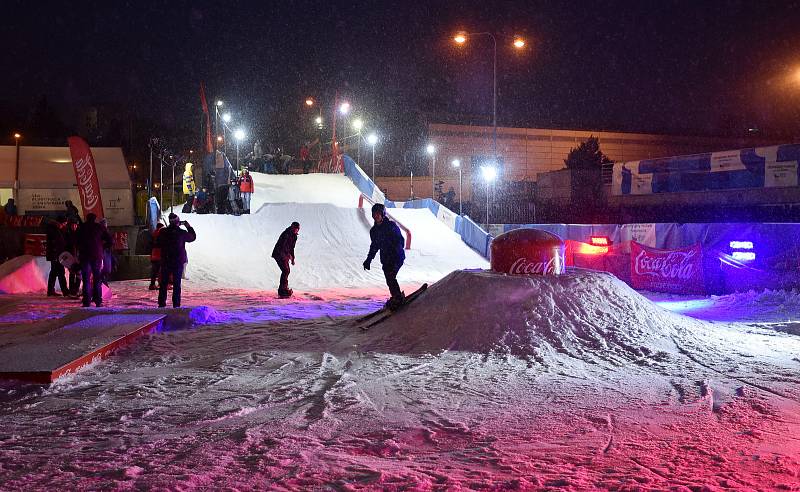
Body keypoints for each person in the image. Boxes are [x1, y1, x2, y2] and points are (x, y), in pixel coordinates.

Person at [363, 203, 406, 309]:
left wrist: (395, 250)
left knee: (391, 276)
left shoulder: (391, 226)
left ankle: (397, 297)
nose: (376, 216)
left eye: (378, 214)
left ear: (382, 214)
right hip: (386, 259)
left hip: (396, 256)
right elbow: (374, 246)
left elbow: (400, 240)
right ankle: (396, 296)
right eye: (374, 214)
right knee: (389, 278)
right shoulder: (374, 231)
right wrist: (368, 260)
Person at [156, 213, 196, 308]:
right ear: (178, 222)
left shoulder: (163, 232)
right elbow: (192, 237)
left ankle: (161, 303)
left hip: (166, 261)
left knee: (164, 283)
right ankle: (176, 304)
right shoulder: (181, 233)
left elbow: (157, 242)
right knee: (177, 284)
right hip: (177, 262)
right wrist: (188, 226)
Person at [76, 213, 112, 307]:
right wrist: (102, 247)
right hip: (97, 256)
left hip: (84, 256)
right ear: (95, 219)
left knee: (86, 279)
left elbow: (75, 241)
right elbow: (110, 240)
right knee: (97, 279)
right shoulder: (99, 227)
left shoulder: (82, 227)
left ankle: (86, 301)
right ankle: (98, 301)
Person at [271, 222, 300, 298]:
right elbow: (282, 246)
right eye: (295, 229)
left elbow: (291, 248)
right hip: (278, 254)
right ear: (292, 227)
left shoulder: (294, 236)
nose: (296, 231)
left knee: (286, 270)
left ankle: (284, 289)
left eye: (297, 229)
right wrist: (287, 256)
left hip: (284, 254)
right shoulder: (286, 234)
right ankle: (282, 290)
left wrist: (292, 257)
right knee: (286, 270)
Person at [45, 216, 69, 296]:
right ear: (60, 223)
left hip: (57, 254)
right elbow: (55, 243)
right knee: (60, 272)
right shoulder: (54, 229)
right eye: (64, 224)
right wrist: (55, 255)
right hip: (56, 255)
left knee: (54, 272)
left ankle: (51, 290)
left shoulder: (56, 229)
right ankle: (65, 291)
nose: (64, 226)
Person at [64, 217, 81, 296]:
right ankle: (72, 290)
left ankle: (76, 289)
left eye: (75, 225)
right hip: (70, 255)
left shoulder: (79, 234)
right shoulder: (67, 234)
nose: (74, 226)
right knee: (71, 273)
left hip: (78, 256)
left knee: (78, 273)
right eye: (72, 225)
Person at [98, 218, 115, 286]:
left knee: (103, 271)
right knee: (104, 271)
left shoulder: (101, 232)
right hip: (104, 253)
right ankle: (104, 286)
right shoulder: (104, 232)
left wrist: (103, 245)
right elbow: (111, 242)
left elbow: (111, 242)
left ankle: (104, 286)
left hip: (103, 253)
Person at [148, 223, 164, 290]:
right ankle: (160, 284)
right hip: (159, 255)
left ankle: (152, 284)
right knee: (160, 271)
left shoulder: (153, 234)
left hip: (153, 255)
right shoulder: (161, 234)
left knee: (154, 271)